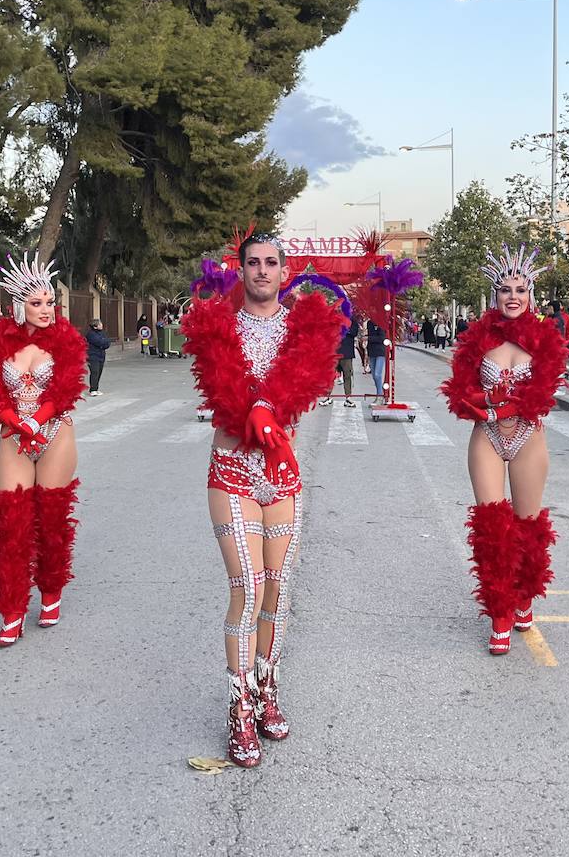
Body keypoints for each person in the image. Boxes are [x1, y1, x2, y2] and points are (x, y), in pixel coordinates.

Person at [180, 232, 344, 768]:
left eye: (271, 262)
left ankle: (267, 687)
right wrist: (251, 408)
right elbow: (222, 393)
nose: (262, 271)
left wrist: (272, 404)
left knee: (278, 590)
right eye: (253, 262)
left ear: (284, 270)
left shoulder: (306, 328)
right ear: (241, 269)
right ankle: (238, 709)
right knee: (246, 590)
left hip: (283, 477)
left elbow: (309, 388)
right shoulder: (216, 325)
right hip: (231, 472)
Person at [440, 245, 566, 655]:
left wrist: (503, 404)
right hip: (487, 439)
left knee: (528, 525)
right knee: (492, 527)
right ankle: (500, 612)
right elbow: (458, 390)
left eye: (521, 290)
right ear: (494, 296)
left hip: (528, 436)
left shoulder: (547, 338)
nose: (513, 296)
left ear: (531, 295)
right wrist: (476, 400)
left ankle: (525, 596)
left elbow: (544, 393)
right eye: (505, 290)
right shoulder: (477, 339)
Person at [0, 252, 87, 646]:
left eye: (50, 302)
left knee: (52, 518)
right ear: (18, 307)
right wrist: (13, 419)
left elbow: (68, 386)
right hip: (13, 437)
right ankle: (13, 609)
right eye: (36, 303)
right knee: (13, 522)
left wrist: (38, 421)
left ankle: (51, 593)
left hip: (54, 434)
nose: (46, 309)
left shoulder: (67, 339)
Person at [86, 318, 111, 395]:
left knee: (99, 372)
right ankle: (92, 389)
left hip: (101, 355)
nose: (101, 325)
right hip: (92, 356)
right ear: (95, 326)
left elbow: (107, 342)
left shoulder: (103, 333)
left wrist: (103, 343)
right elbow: (98, 342)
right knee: (95, 372)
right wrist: (103, 343)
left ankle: (96, 388)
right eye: (100, 324)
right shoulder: (91, 334)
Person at [366, 316, 388, 400]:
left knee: (377, 374)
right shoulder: (369, 323)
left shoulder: (381, 323)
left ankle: (379, 395)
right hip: (372, 351)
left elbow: (382, 338)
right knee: (374, 375)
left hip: (380, 351)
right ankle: (379, 392)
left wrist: (369, 338)